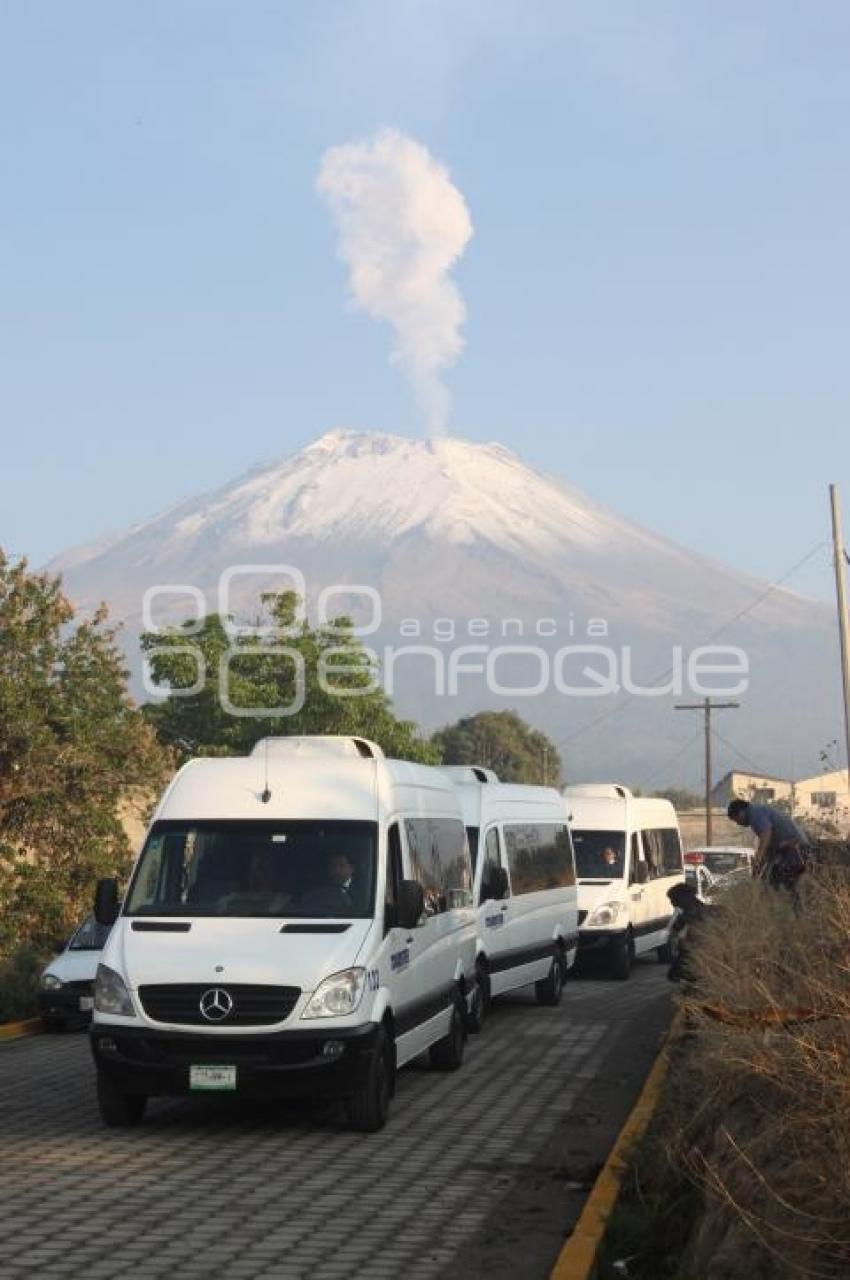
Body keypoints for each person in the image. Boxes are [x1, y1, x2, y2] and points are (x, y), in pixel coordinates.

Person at [727, 799, 810, 891]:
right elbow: (769, 845)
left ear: (741, 812)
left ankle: (789, 903)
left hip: (794, 848)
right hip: (794, 848)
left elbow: (766, 834)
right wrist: (761, 864)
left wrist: (758, 858)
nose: (738, 823)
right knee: (772, 880)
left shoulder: (754, 813)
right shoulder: (758, 811)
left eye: (737, 819)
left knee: (778, 882)